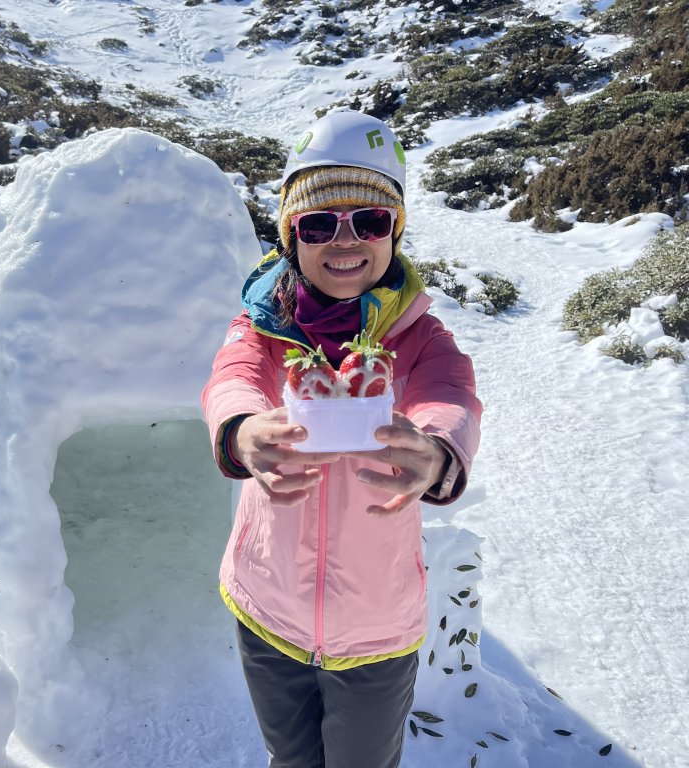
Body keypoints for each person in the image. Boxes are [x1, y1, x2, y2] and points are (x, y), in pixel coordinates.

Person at [201, 110, 482, 768]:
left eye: (371, 220)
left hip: (377, 626)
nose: (345, 240)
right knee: (291, 758)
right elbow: (232, 377)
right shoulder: (263, 325)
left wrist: (437, 451)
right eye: (320, 223)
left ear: (395, 229)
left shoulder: (417, 338)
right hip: (265, 607)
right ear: (292, 235)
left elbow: (451, 394)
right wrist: (242, 432)